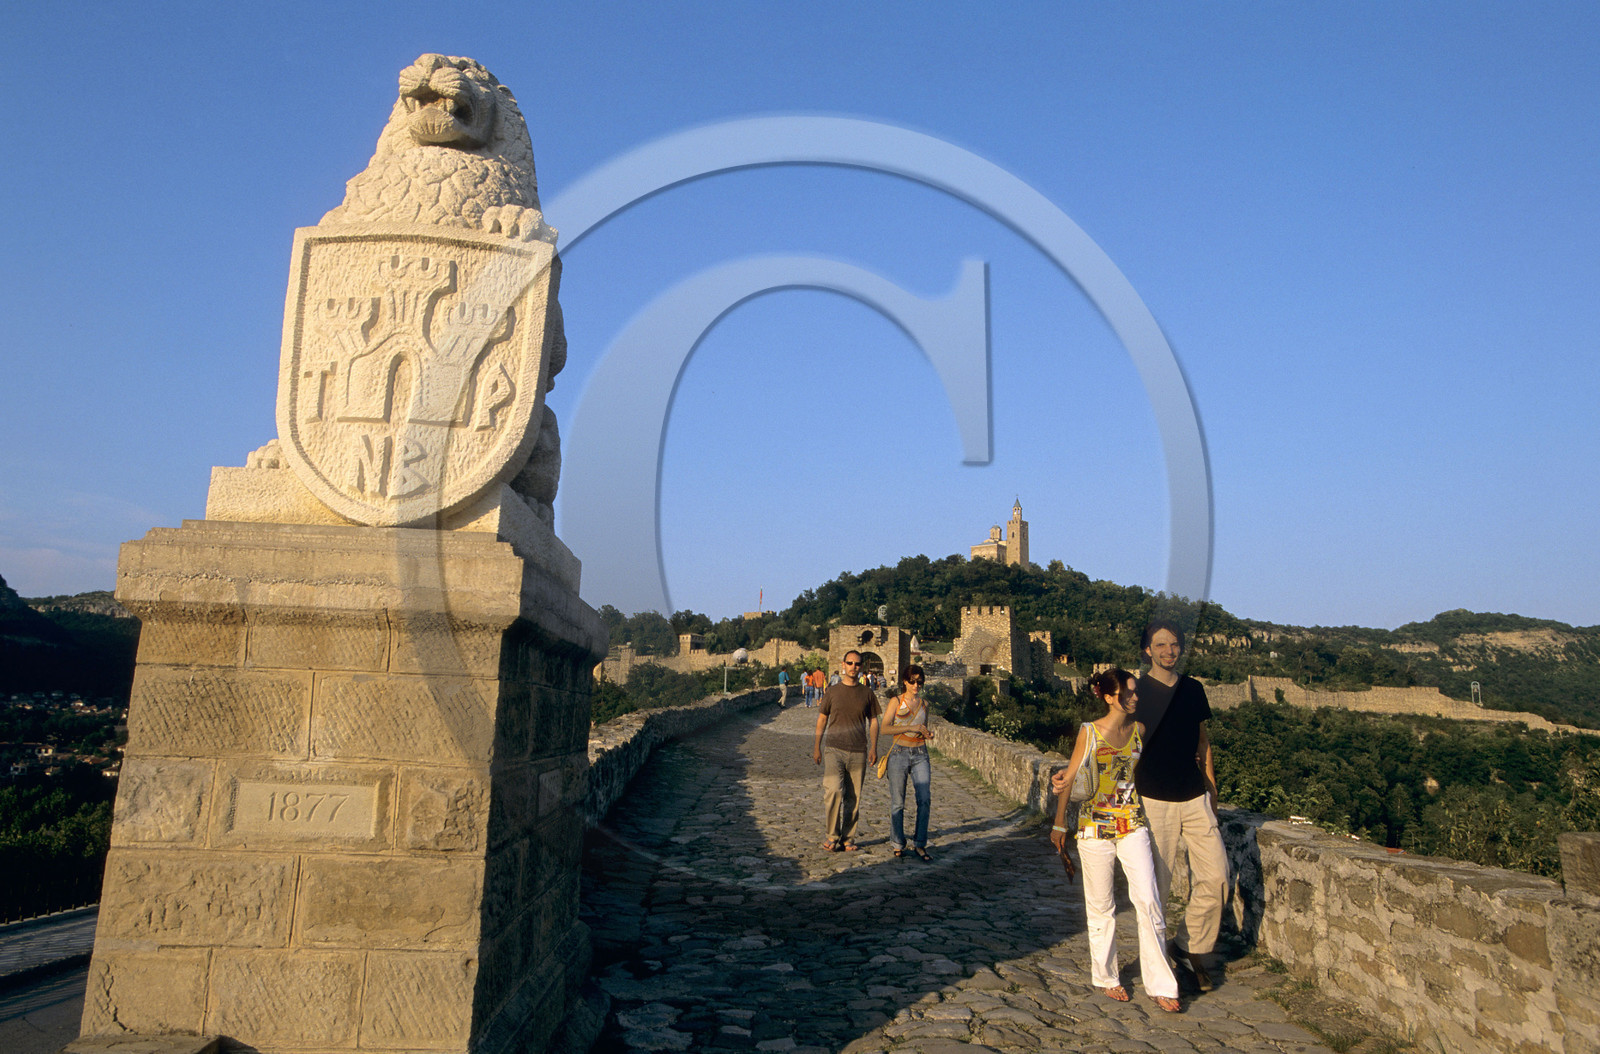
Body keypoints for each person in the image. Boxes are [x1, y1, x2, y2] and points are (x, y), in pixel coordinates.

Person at [1050, 668, 1181, 1013]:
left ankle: (1161, 984)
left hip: (1131, 823)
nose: (1136, 697)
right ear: (1110, 697)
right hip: (1094, 828)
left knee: (1148, 900)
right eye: (1129, 692)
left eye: (1136, 691)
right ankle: (1107, 977)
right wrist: (1060, 825)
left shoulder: (1138, 731)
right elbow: (1070, 779)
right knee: (1101, 906)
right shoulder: (1090, 733)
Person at [1134, 619, 1229, 992]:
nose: (1168, 651)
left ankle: (1189, 946)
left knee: (1217, 876)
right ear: (1148, 650)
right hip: (1153, 797)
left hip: (1194, 797)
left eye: (1174, 645)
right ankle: (1158, 966)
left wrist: (1212, 792)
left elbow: (1202, 744)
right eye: (1161, 645)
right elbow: (1125, 744)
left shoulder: (1192, 690)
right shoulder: (1138, 691)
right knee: (1158, 885)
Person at [812, 651, 880, 852]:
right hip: (834, 748)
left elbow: (874, 721)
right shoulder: (832, 691)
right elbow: (822, 719)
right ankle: (832, 836)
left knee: (854, 797)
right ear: (843, 664)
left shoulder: (867, 693)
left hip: (858, 750)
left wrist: (874, 747)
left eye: (857, 664)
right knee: (833, 791)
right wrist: (816, 746)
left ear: (861, 667)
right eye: (849, 663)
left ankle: (848, 838)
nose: (853, 666)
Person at [883, 663, 935, 861]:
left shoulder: (924, 705)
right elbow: (885, 728)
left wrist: (928, 734)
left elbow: (924, 729)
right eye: (912, 681)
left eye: (919, 682)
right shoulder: (896, 702)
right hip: (899, 753)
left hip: (920, 753)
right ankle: (898, 843)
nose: (916, 685)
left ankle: (920, 844)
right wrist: (909, 727)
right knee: (898, 802)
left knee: (924, 799)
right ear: (905, 681)